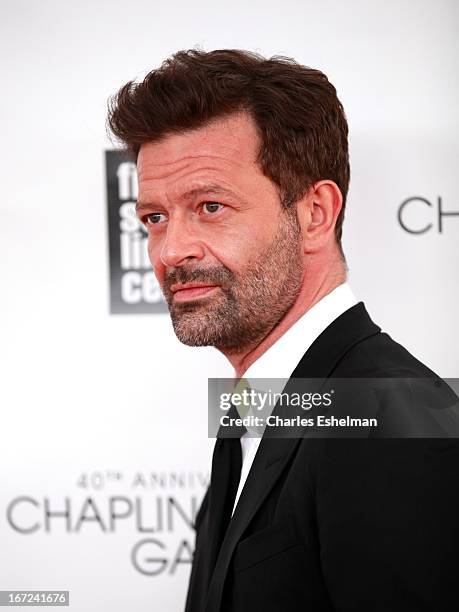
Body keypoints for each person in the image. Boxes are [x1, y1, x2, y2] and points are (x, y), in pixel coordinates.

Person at [108, 49, 459, 611]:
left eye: (211, 206)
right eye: (154, 218)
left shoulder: (391, 422)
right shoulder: (263, 407)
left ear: (315, 213)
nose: (171, 250)